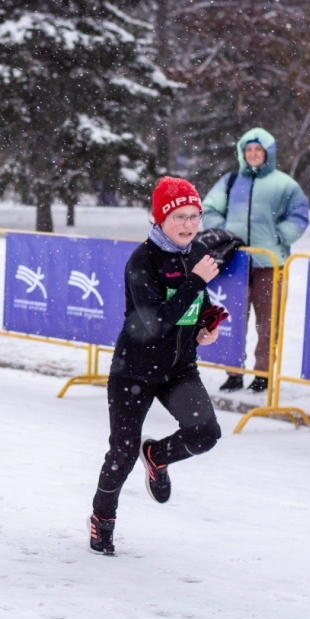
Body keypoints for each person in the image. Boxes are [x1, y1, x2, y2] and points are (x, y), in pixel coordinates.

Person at [89, 176, 226, 557]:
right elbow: (156, 324)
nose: (188, 225)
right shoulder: (142, 261)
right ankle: (102, 519)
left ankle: (159, 456)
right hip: (134, 371)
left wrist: (206, 327)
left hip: (179, 370)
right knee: (122, 453)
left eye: (194, 216)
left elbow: (198, 304)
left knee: (205, 433)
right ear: (160, 218)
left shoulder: (196, 251)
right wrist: (195, 281)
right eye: (179, 216)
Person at [202, 127, 310, 393]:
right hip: (235, 262)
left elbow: (299, 214)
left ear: (268, 154)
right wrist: (224, 230)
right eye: (248, 150)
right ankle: (234, 373)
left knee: (268, 322)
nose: (253, 154)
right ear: (242, 153)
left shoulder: (284, 184)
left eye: (258, 150)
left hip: (270, 263)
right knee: (232, 320)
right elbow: (209, 208)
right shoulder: (230, 181)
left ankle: (262, 374)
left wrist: (280, 234)